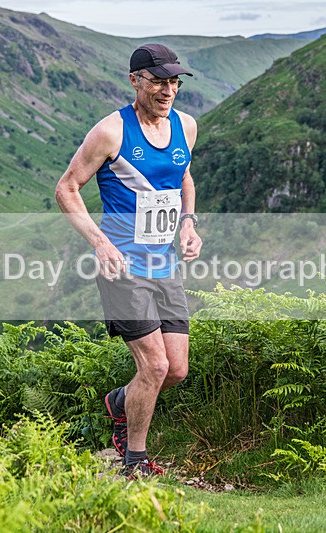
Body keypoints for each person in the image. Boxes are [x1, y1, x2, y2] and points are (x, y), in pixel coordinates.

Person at [55, 43, 202, 477]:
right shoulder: (110, 132)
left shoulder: (186, 126)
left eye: (174, 82)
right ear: (135, 80)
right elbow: (66, 189)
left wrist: (188, 224)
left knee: (176, 369)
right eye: (158, 81)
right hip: (123, 269)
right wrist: (100, 243)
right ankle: (134, 459)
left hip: (165, 265)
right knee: (154, 366)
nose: (168, 90)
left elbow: (183, 176)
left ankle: (119, 401)